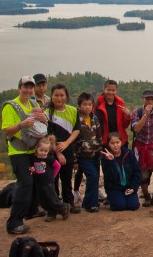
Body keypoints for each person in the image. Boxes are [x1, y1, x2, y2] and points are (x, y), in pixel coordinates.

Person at [2, 76, 49, 234]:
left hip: (32, 149)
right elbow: (6, 131)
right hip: (18, 151)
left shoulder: (34, 103)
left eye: (31, 87)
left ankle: (31, 210)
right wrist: (22, 124)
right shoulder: (10, 106)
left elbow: (42, 126)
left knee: (35, 179)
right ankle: (14, 222)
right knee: (25, 183)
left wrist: (44, 118)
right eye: (25, 87)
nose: (28, 90)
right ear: (19, 88)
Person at [46, 83, 81, 214]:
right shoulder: (47, 113)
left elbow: (77, 129)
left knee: (67, 178)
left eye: (62, 95)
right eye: (56, 95)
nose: (59, 98)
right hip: (52, 150)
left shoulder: (73, 110)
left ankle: (69, 203)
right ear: (51, 96)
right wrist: (58, 152)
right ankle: (55, 206)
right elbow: (48, 135)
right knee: (53, 179)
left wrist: (67, 143)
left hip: (68, 148)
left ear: (66, 96)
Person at [131, 89, 153, 207]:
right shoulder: (137, 112)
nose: (150, 101)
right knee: (143, 174)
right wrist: (146, 114)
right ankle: (146, 196)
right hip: (140, 147)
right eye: (148, 99)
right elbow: (136, 128)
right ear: (143, 99)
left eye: (152, 99)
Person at [30, 135, 70, 222]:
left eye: (46, 151)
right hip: (38, 182)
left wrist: (53, 176)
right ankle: (51, 213)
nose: (43, 153)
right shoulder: (34, 158)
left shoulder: (49, 158)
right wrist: (32, 170)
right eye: (41, 150)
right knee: (42, 200)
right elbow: (33, 168)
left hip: (48, 182)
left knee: (51, 198)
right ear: (37, 148)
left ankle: (63, 207)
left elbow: (58, 166)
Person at [74, 92, 102, 213]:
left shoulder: (94, 118)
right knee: (93, 176)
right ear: (79, 106)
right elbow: (73, 141)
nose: (87, 107)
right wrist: (75, 159)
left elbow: (99, 135)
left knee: (95, 178)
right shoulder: (76, 119)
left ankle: (90, 202)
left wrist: (100, 150)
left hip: (95, 154)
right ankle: (91, 204)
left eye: (90, 104)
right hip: (82, 155)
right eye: (84, 104)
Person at [100, 132, 142, 211]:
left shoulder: (129, 154)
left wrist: (133, 187)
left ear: (121, 142)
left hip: (128, 187)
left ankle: (125, 198)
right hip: (114, 188)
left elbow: (137, 172)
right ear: (108, 144)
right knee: (120, 206)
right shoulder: (105, 157)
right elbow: (110, 177)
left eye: (117, 142)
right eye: (112, 143)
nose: (115, 145)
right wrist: (111, 162)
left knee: (134, 206)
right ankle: (113, 199)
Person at [94, 80, 131, 147]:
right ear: (104, 89)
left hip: (120, 140)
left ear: (116, 91)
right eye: (109, 90)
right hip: (105, 141)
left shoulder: (121, 103)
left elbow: (125, 125)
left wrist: (127, 115)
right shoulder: (98, 104)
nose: (111, 92)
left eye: (113, 90)